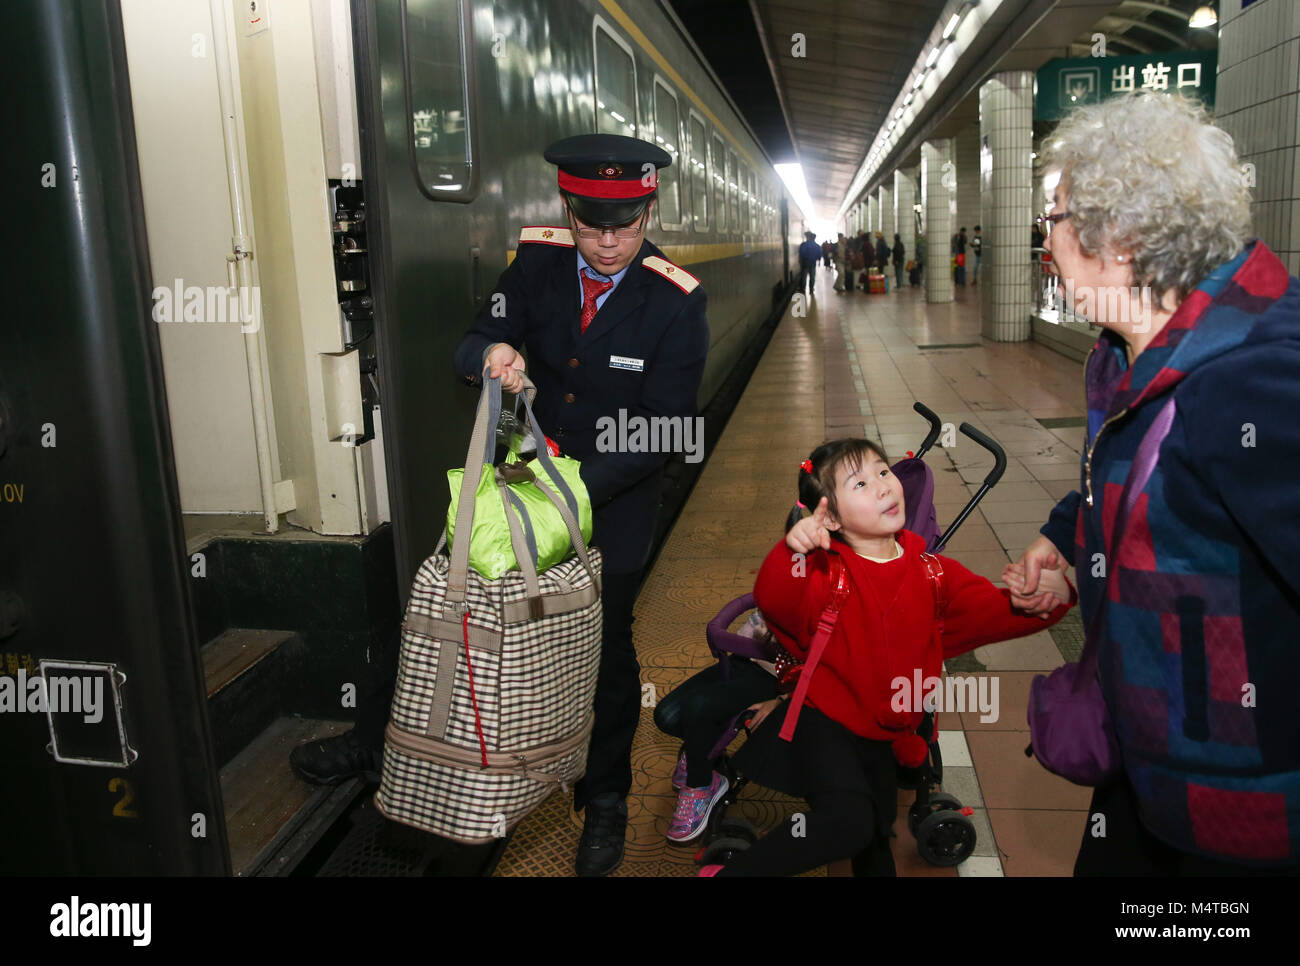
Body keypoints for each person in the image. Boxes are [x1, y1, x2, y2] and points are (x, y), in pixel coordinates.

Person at [1005, 92, 1300, 875]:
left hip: (1245, 819)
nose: (1046, 243)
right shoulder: (1133, 354)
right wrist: (1070, 529)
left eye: (1055, 220)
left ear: (1122, 238)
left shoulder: (1261, 384)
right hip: (1153, 771)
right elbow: (1156, 476)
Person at [700, 439, 1075, 876]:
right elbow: (777, 599)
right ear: (832, 517)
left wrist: (1052, 598)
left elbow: (995, 612)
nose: (883, 487)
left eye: (882, 472)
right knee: (850, 823)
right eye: (860, 482)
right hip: (825, 721)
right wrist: (793, 552)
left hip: (884, 733)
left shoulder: (933, 572)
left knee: (877, 829)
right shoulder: (826, 573)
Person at [652, 621, 781, 842]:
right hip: (745, 658)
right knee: (666, 715)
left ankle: (701, 782)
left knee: (699, 707)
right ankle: (699, 749)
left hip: (778, 677)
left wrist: (783, 699)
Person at [797, 231, 820, 296]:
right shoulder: (817, 246)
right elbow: (819, 255)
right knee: (812, 276)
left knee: (804, 277)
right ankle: (811, 290)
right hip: (813, 263)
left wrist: (801, 260)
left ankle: (803, 289)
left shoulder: (804, 244)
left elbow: (801, 254)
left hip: (805, 263)